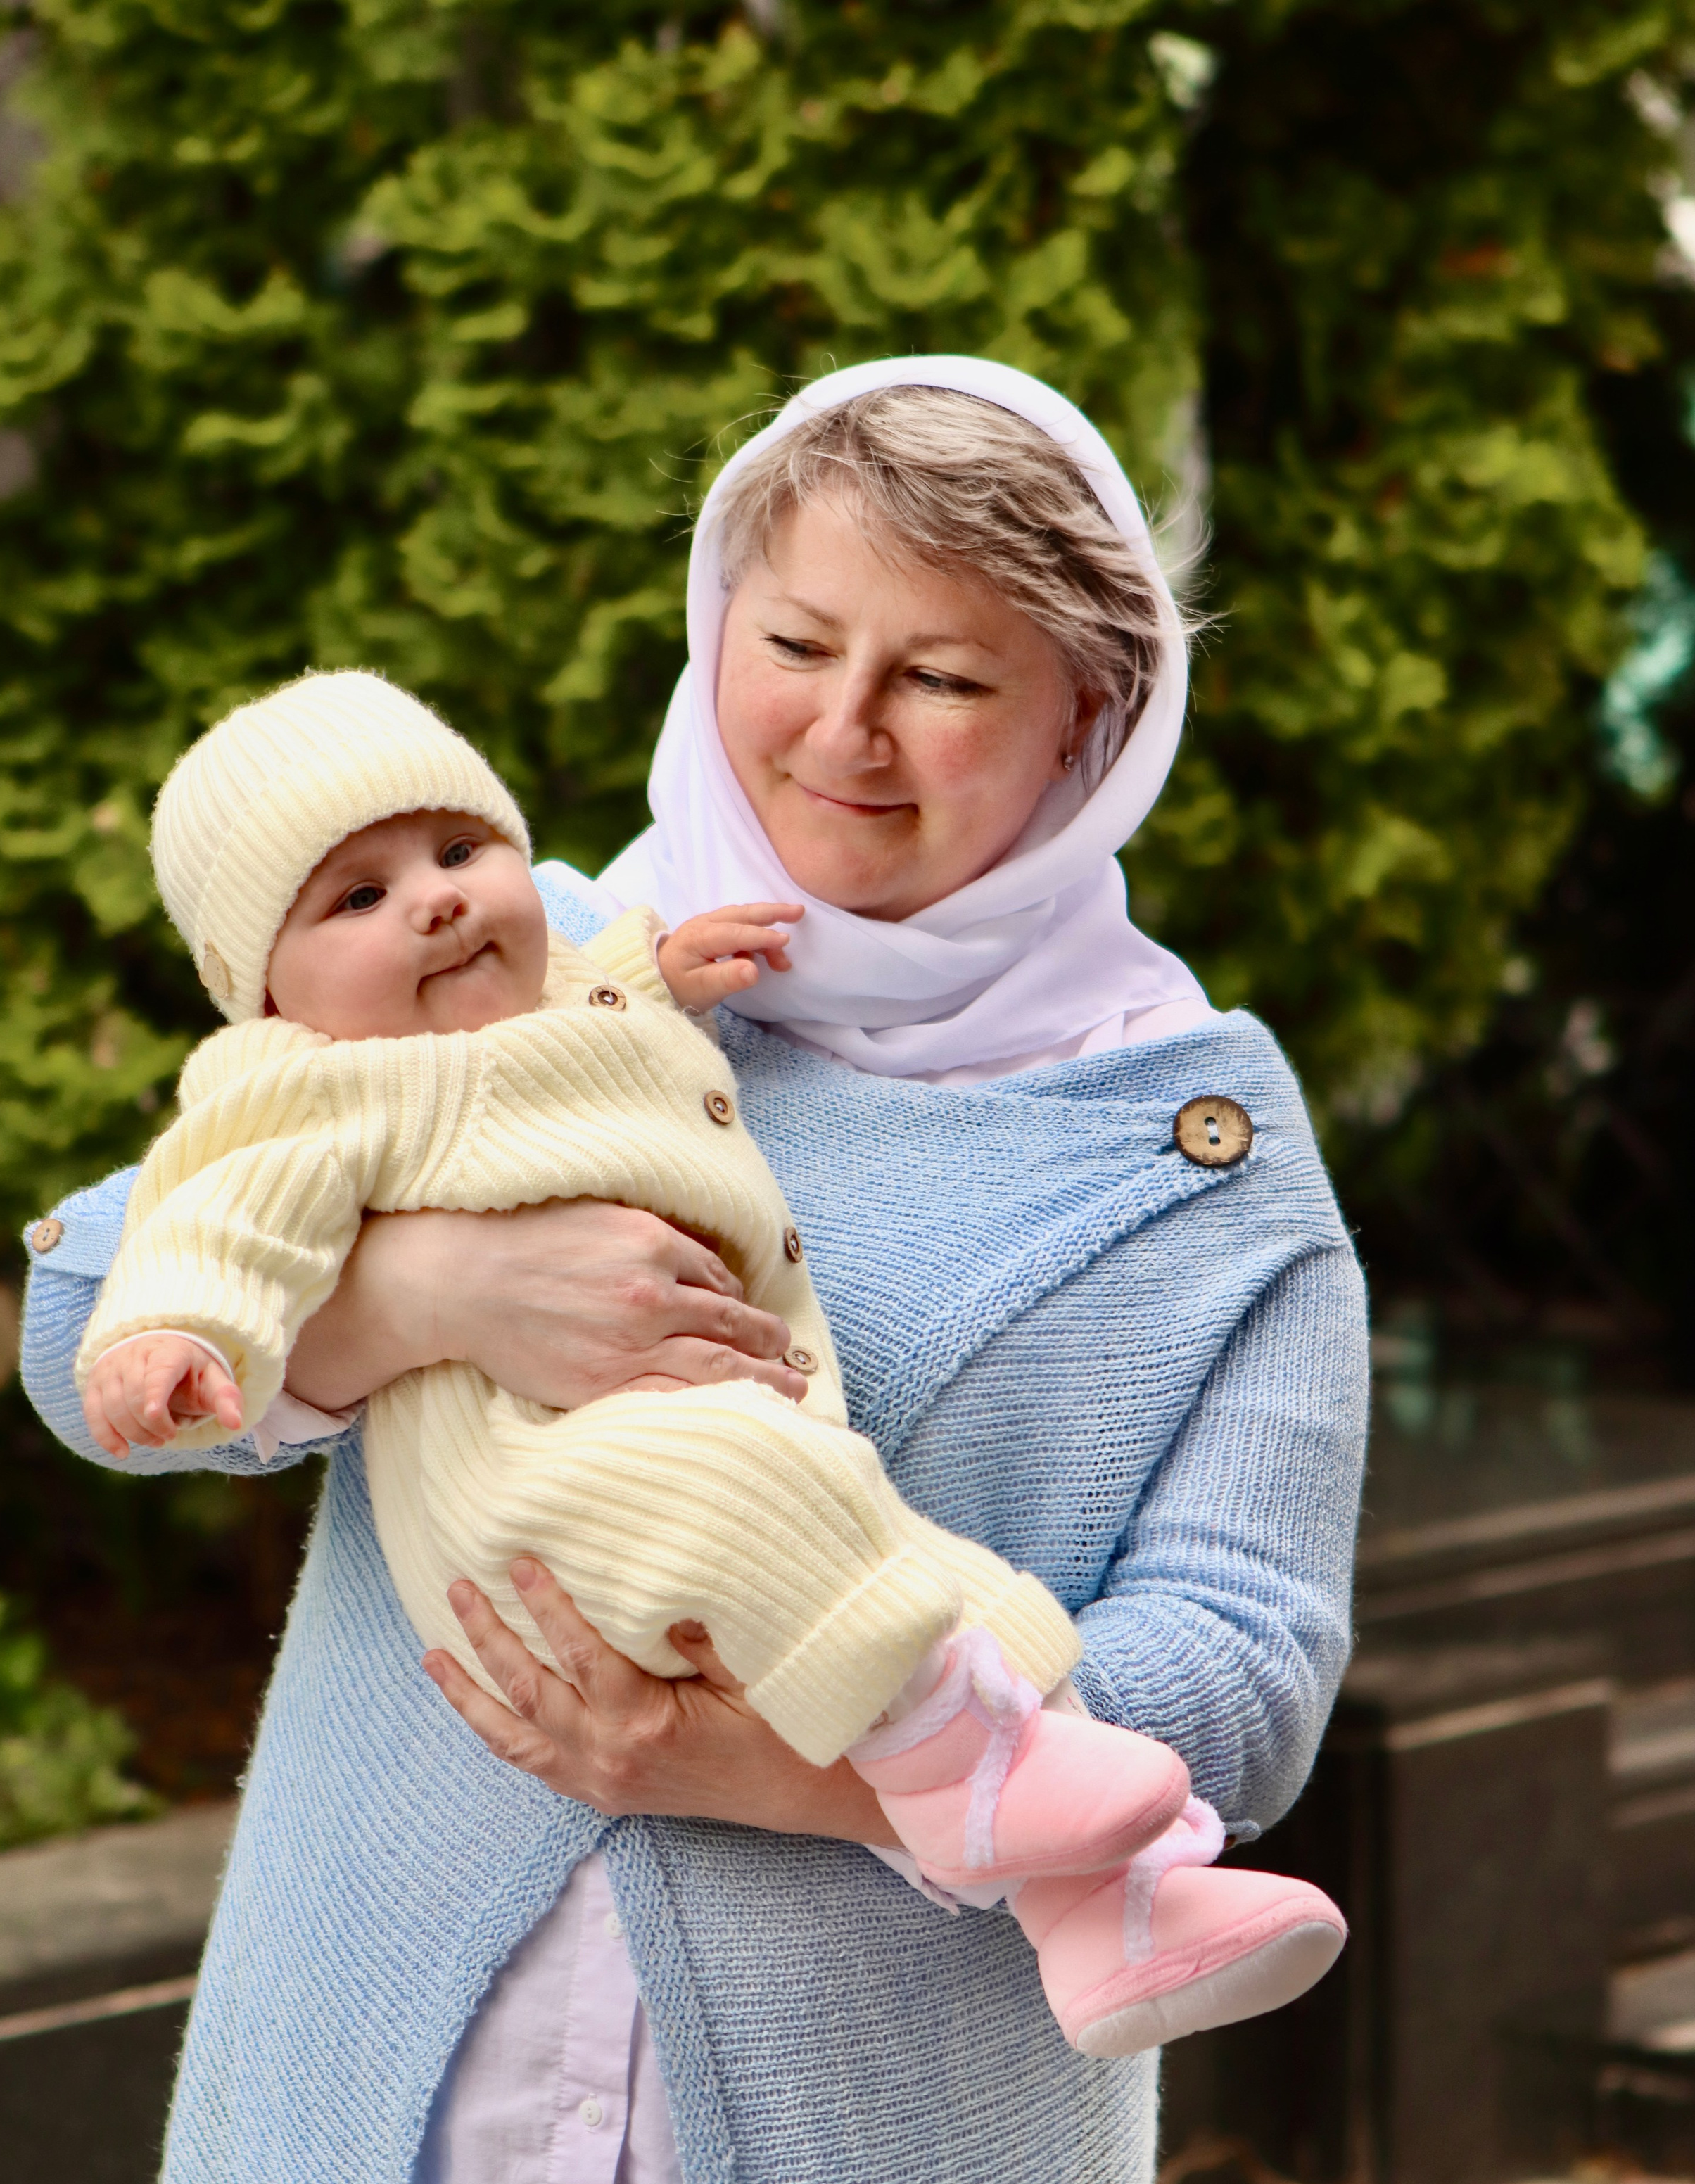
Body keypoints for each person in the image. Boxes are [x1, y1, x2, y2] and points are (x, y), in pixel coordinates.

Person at [20, 355, 1367, 2184]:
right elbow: (88, 1329)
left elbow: (1247, 1672)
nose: (842, 731)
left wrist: (794, 1772)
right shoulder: (523, 960)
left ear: (1093, 719)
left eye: (944, 678)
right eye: (795, 642)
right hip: (393, 2156)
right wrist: (442, 1292)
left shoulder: (1200, 1161)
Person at [74, 664, 1344, 2057]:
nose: (435, 900)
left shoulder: (571, 971)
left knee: (935, 1584)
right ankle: (967, 1779)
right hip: (537, 1494)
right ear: (263, 991)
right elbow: (206, 1224)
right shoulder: (307, 1082)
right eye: (360, 897)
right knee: (765, 1493)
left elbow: (591, 1011)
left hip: (697, 1475)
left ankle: (1113, 1911)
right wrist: (208, 1329)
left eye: (459, 849)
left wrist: (662, 975)